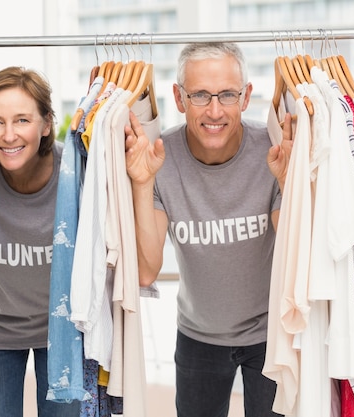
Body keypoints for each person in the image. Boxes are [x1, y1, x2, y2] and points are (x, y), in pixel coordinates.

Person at [124, 42, 292, 417]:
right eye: (200, 95)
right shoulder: (157, 157)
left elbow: (296, 252)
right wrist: (141, 183)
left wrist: (290, 181)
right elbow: (147, 270)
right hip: (198, 337)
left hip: (271, 336)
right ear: (179, 98)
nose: (214, 111)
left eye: (227, 95)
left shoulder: (274, 151)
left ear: (246, 96)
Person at [0, 67, 79, 417]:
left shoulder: (77, 171)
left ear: (46, 123)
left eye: (22, 120)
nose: (9, 135)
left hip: (63, 330)